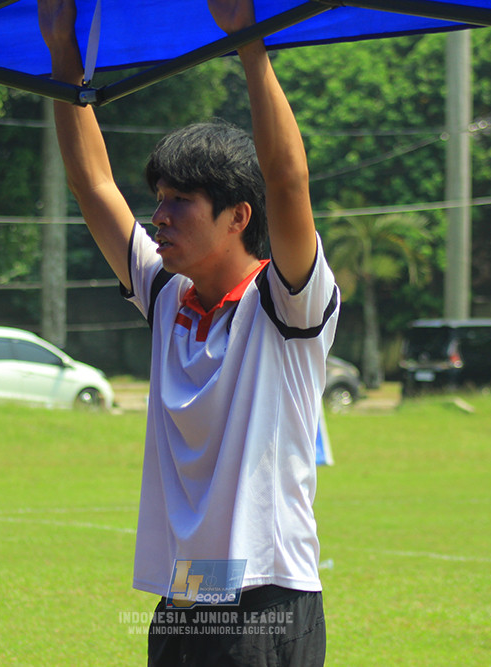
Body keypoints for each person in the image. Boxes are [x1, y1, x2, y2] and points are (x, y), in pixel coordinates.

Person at [39, 1, 338, 664]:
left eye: (180, 202)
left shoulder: (285, 302)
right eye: (159, 197)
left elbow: (288, 182)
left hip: (269, 592)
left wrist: (249, 44)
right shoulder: (168, 293)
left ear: (238, 216)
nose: (160, 216)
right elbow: (92, 184)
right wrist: (62, 49)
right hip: (188, 589)